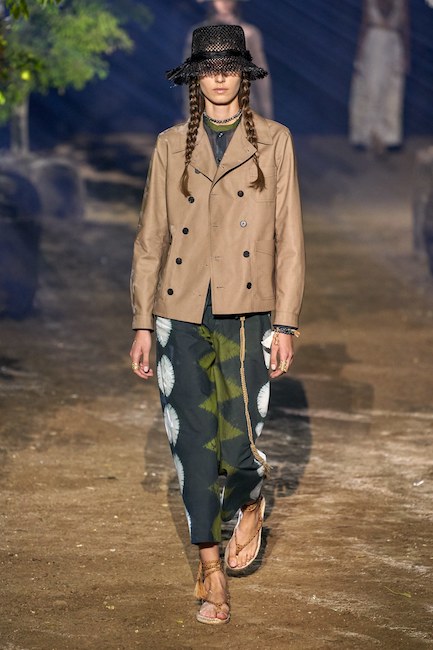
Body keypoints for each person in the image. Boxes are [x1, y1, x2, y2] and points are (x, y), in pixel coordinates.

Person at [130, 24, 304, 625]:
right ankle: (210, 570)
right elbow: (150, 239)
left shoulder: (275, 141)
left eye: (230, 65)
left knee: (238, 443)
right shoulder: (169, 145)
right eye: (209, 66)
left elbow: (289, 242)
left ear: (244, 76)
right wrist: (142, 323)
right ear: (196, 78)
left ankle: (251, 499)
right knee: (194, 446)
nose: (220, 75)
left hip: (248, 313)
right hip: (178, 313)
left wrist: (286, 323)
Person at [184, 0, 273, 119]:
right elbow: (190, 75)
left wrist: (266, 112)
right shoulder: (198, 35)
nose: (224, 3)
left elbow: (261, 76)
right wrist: (190, 112)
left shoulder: (249, 34)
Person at [349, 0, 410, 154]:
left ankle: (389, 136)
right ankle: (367, 134)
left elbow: (405, 27)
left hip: (393, 43)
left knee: (392, 89)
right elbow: (364, 24)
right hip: (374, 43)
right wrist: (359, 55)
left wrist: (406, 54)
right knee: (371, 87)